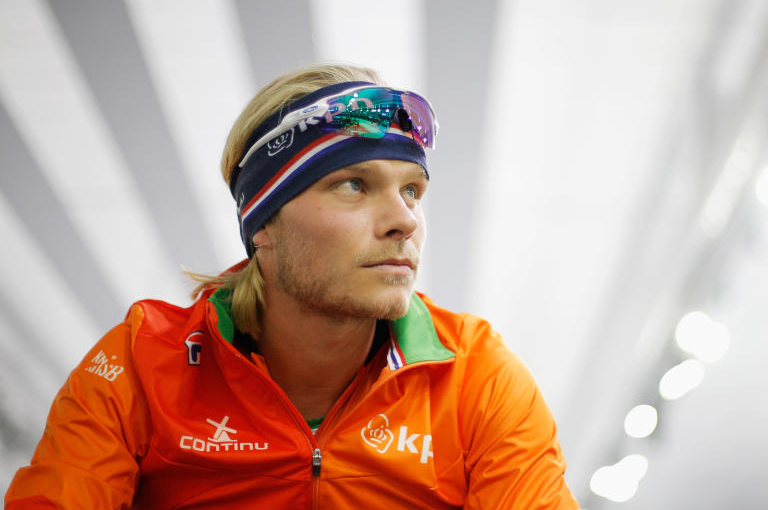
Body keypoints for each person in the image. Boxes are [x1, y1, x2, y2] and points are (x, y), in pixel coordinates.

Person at [5, 64, 579, 509]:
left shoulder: (476, 377)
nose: (404, 219)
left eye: (412, 191)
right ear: (265, 227)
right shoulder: (141, 362)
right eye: (354, 184)